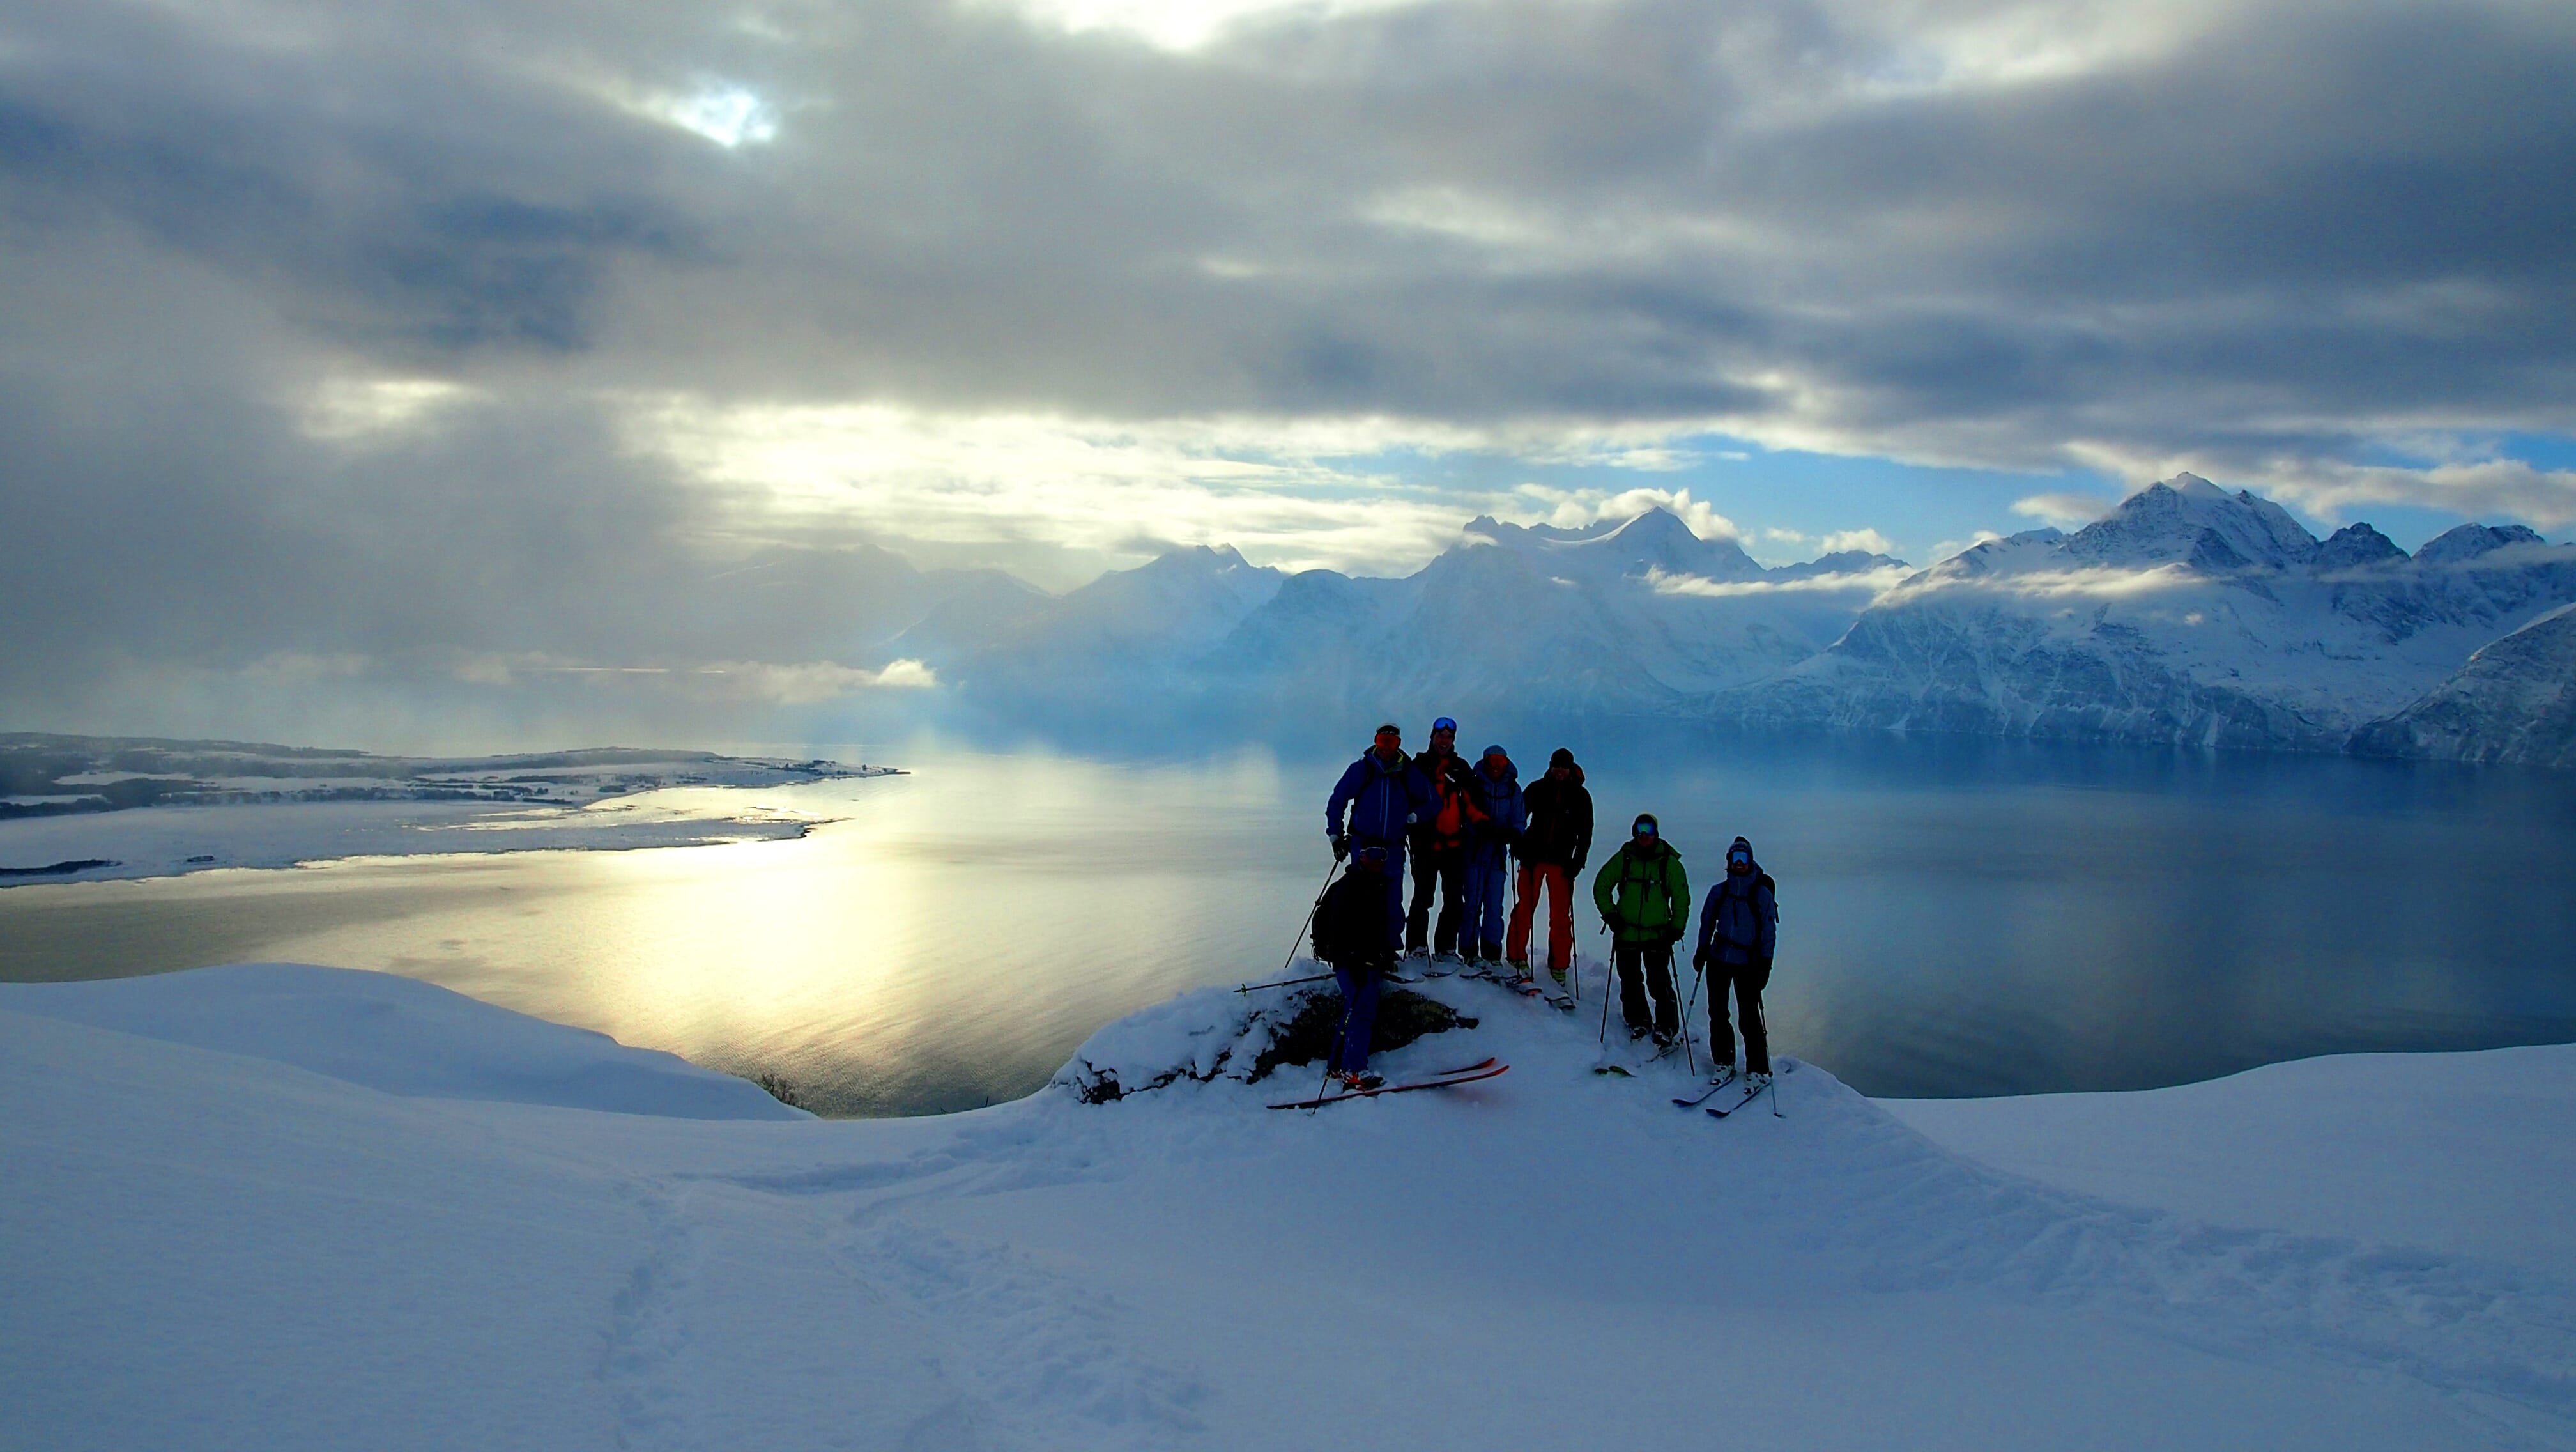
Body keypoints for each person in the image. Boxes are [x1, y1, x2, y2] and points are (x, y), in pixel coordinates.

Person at [1326, 724, 1434, 947]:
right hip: (1362, 845)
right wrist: (1335, 835)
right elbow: (1337, 801)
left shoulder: (1408, 772)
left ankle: (1390, 950)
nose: (1386, 747)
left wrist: (1416, 816)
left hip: (1393, 847)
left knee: (1393, 902)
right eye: (1382, 741)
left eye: (1391, 742)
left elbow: (1434, 802)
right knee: (1359, 899)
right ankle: (1359, 948)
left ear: (1399, 744)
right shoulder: (1362, 770)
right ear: (1376, 741)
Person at [1591, 813, 1689, 1044]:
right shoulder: (1625, 858)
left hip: (1658, 934)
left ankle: (1667, 1027)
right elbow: (1602, 885)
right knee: (1630, 981)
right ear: (1634, 831)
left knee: (1659, 983)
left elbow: (1681, 897)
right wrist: (1611, 915)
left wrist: (1676, 928)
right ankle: (1638, 1021)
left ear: (1656, 832)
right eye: (1639, 829)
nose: (1643, 835)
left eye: (1648, 829)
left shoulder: (1669, 863)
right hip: (1626, 932)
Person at [1310, 844, 1400, 1090]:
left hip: (1368, 962)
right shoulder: (1348, 888)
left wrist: (1383, 954)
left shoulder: (1377, 885)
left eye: (1383, 854)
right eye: (1372, 854)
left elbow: (1375, 928)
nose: (1378, 859)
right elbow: (1341, 930)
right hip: (1350, 962)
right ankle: (1353, 1069)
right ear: (1361, 856)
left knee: (1362, 1009)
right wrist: (1353, 961)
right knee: (1360, 1009)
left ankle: (1340, 1066)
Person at [1692, 835, 1779, 1086]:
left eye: (1743, 859)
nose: (1739, 864)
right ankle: (1724, 1061)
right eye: (1735, 859)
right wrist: (1701, 950)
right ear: (1728, 862)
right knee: (1718, 1012)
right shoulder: (1719, 892)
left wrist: (1765, 964)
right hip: (1719, 956)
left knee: (1749, 1016)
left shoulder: (1761, 894)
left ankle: (1758, 1068)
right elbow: (1707, 922)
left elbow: (1768, 933)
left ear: (1750, 861)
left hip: (1748, 962)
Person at [1508, 747, 1593, 994]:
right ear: (1551, 765)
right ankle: (1516, 956)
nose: (1560, 771)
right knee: (1525, 907)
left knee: (1560, 916)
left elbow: (1586, 833)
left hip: (1562, 863)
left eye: (1564, 767)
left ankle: (1559, 965)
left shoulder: (1581, 796)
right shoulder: (1537, 788)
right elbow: (1519, 818)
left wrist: (1578, 861)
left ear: (1570, 768)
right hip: (1533, 859)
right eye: (1557, 766)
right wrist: (1519, 846)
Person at [1406, 716, 1485, 963]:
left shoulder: (1461, 768)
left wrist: (1483, 824)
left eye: (1448, 737)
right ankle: (1416, 946)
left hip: (1453, 845)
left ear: (1453, 740)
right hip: (1426, 845)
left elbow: (1472, 801)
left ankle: (1446, 948)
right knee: (1423, 897)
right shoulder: (1418, 766)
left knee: (1453, 900)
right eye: (1440, 736)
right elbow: (1407, 798)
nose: (1444, 740)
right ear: (1432, 737)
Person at [1460, 744, 1524, 968]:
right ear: (1485, 761)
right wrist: (1482, 830)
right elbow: (1466, 814)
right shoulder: (1474, 784)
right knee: (1473, 902)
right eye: (1493, 762)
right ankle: (1468, 951)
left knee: (1495, 904)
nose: (1496, 767)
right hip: (1475, 850)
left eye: (1501, 762)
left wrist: (1514, 835)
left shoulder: (1513, 789)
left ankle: (1492, 952)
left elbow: (1519, 820)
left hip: (1498, 853)